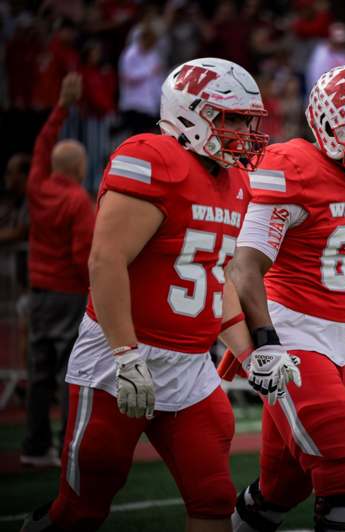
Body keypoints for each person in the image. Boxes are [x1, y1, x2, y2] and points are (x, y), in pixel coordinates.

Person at [21, 57, 269, 532]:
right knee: (82, 509)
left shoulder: (236, 181)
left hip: (190, 365)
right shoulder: (152, 157)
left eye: (247, 120)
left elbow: (214, 275)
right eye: (231, 118)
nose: (243, 132)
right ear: (189, 113)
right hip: (120, 360)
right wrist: (126, 355)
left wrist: (248, 351)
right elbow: (105, 260)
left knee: (214, 497)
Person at [224, 64, 345, 532]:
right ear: (328, 126)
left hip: (341, 344)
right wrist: (265, 343)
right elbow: (245, 267)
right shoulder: (293, 170)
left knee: (283, 487)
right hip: (293, 335)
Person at [21, 73, 94, 468]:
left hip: (38, 293)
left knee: (39, 373)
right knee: (71, 373)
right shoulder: (79, 202)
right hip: (68, 294)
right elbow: (85, 255)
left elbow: (40, 146)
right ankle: (70, 447)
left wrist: (62, 106)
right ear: (80, 167)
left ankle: (34, 447)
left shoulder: (37, 186)